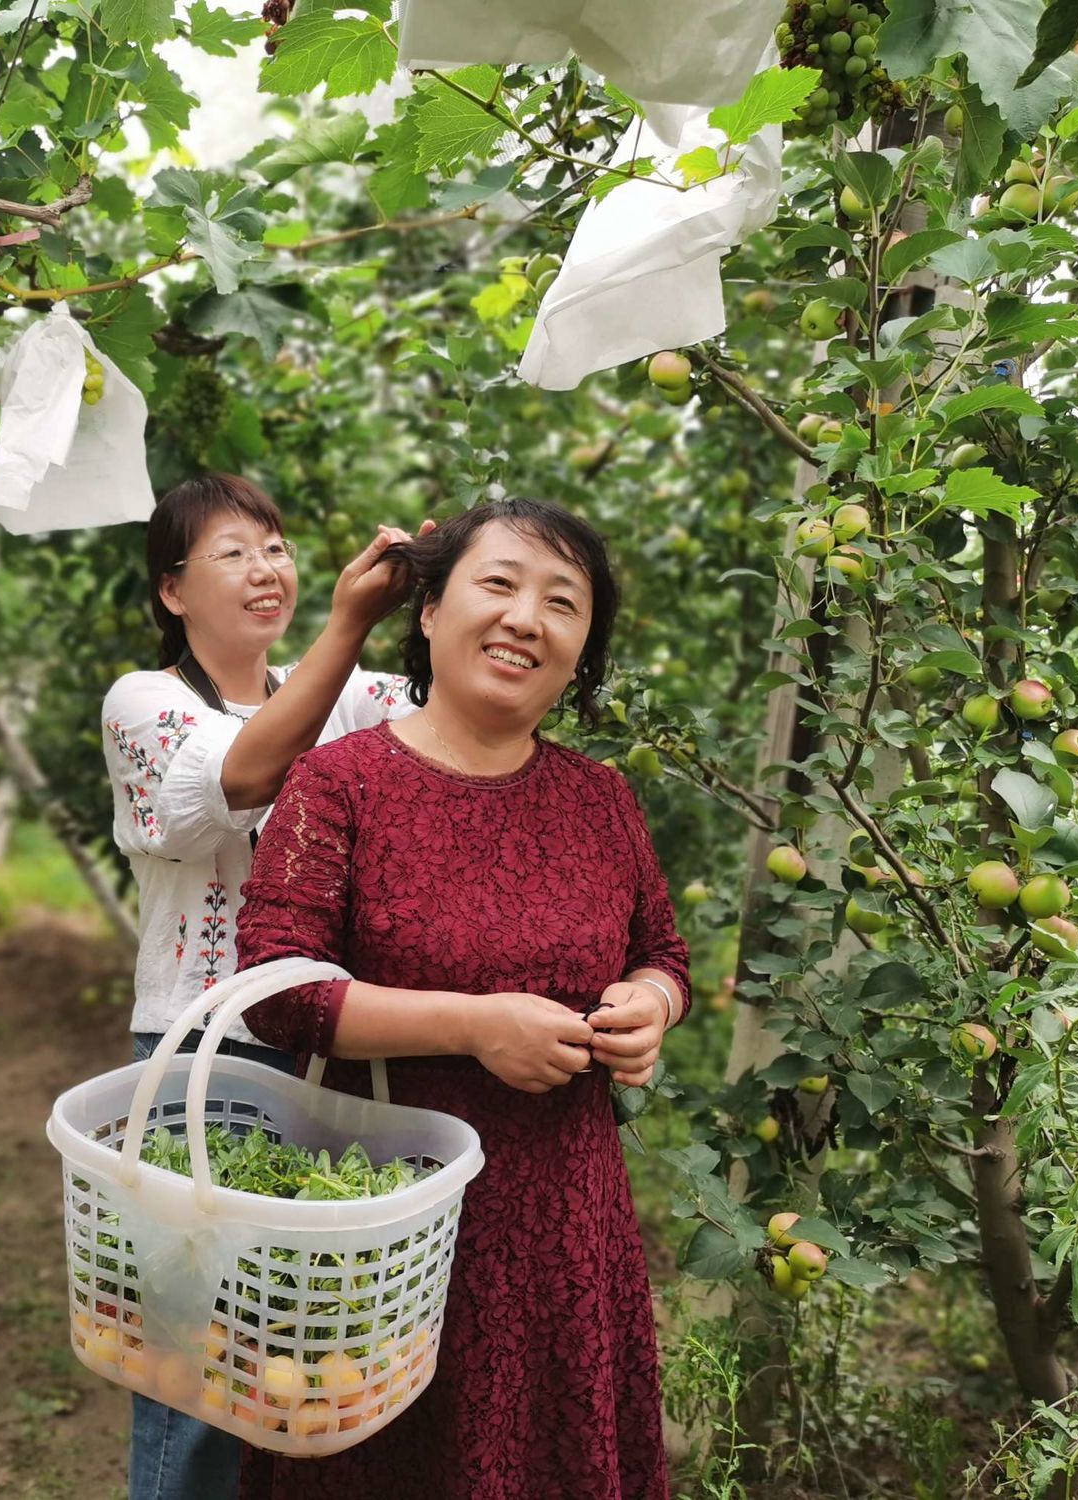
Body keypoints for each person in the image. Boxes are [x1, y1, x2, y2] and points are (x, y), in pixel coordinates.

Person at [234, 496, 691, 1500]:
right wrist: (475, 1025)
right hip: (382, 1216)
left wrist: (649, 1006)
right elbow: (276, 987)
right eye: (499, 584)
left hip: (562, 1221)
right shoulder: (338, 784)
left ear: (582, 652)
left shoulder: (600, 799)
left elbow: (663, 953)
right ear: (432, 611)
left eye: (562, 603)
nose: (526, 618)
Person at [101, 473, 426, 1500]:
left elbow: (445, 712)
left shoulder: (353, 695)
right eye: (232, 552)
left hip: (335, 1041)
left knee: (312, 1347)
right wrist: (349, 624)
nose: (265, 569)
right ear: (172, 591)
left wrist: (451, 579)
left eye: (275, 547)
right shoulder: (143, 703)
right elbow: (240, 774)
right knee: (195, 1355)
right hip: (208, 1057)